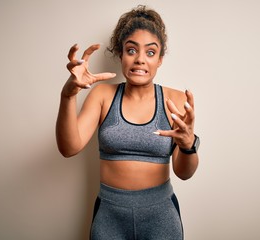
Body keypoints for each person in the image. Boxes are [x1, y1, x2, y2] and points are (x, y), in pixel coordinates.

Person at [56, 5, 200, 240]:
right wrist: (68, 95)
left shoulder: (176, 100)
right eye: (131, 50)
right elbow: (68, 148)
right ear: (121, 55)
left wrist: (188, 145)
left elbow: (184, 173)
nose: (140, 59)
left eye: (150, 52)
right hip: (110, 215)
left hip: (161, 216)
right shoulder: (102, 96)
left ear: (160, 59)